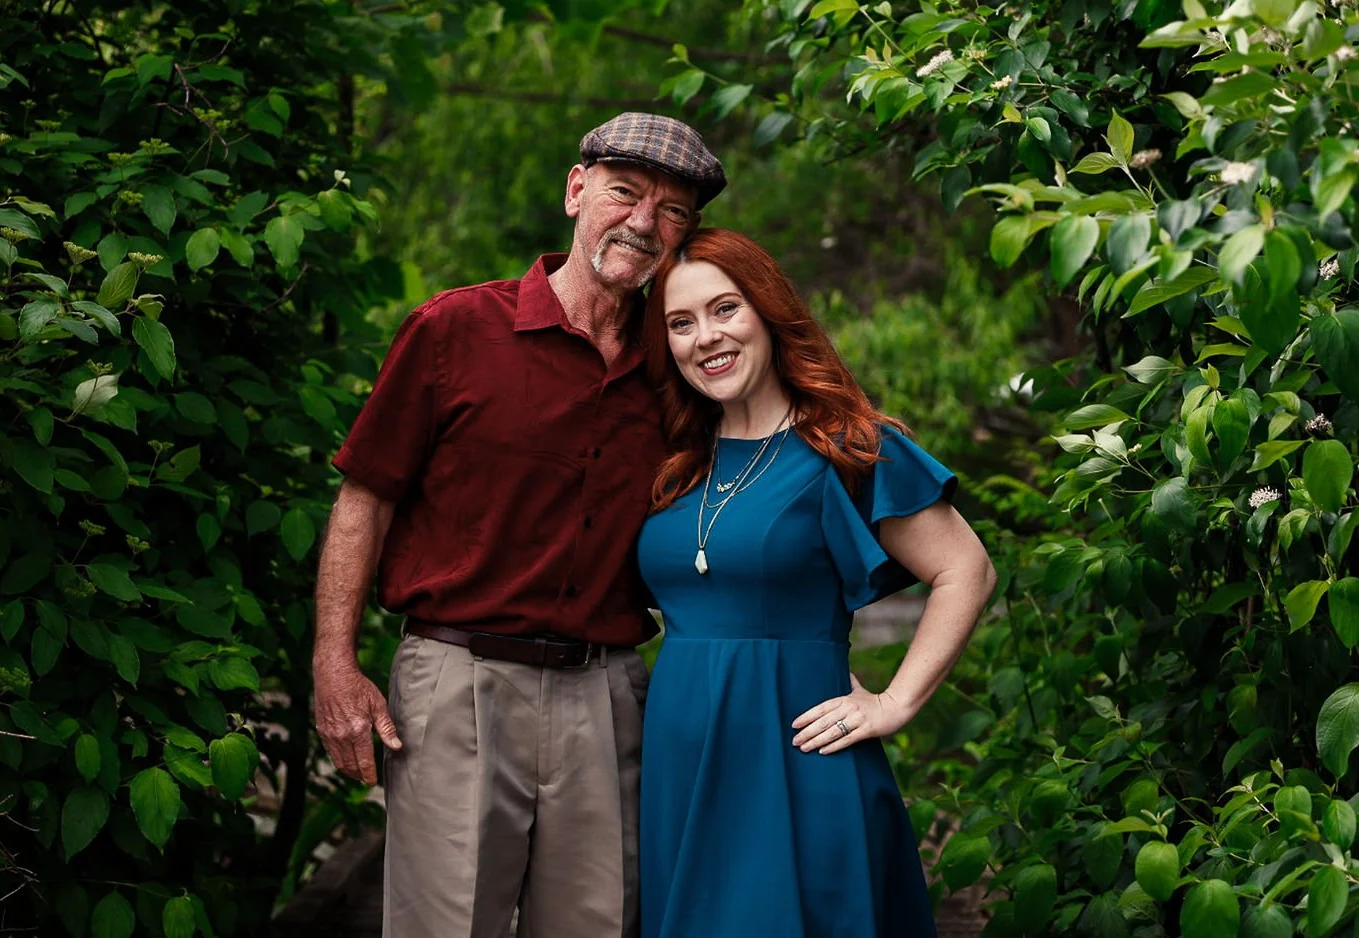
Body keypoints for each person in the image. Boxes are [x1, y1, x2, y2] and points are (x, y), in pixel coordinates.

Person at [311, 113, 726, 938]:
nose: (643, 223)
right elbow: (365, 496)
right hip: (458, 680)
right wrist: (334, 664)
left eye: (672, 211)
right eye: (624, 193)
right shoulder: (454, 330)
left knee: (597, 924)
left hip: (607, 690)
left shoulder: (682, 370)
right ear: (576, 192)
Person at [635, 228, 997, 938]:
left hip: (797, 759)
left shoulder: (848, 446)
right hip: (681, 761)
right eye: (680, 323)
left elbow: (967, 569)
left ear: (769, 311)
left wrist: (895, 702)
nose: (705, 337)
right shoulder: (675, 463)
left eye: (725, 309)